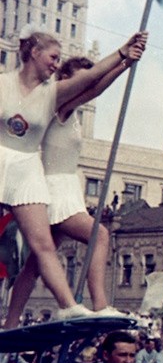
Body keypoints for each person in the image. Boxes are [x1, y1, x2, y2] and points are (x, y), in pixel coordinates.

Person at [0, 28, 147, 324]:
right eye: (53, 58)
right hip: (48, 185)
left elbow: (93, 85)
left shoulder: (65, 106)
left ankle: (13, 321)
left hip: (57, 185)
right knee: (96, 235)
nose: (85, 84)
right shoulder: (56, 104)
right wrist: (123, 59)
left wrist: (125, 62)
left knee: (38, 260)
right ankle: (99, 304)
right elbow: (92, 84)